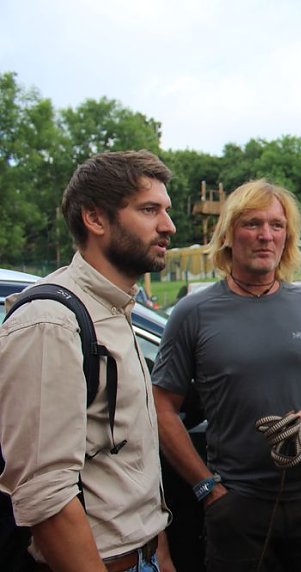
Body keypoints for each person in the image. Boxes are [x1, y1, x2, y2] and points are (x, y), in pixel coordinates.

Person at [151, 180, 301, 572]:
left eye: (277, 226)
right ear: (229, 233)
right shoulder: (193, 313)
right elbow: (162, 407)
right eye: (252, 224)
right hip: (237, 504)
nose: (266, 236)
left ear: (288, 236)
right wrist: (206, 487)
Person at [0, 150, 176, 571]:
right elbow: (45, 494)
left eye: (165, 210)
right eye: (149, 210)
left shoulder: (115, 309)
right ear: (95, 219)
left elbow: (129, 465)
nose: (168, 226)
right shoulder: (51, 322)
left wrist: (160, 552)